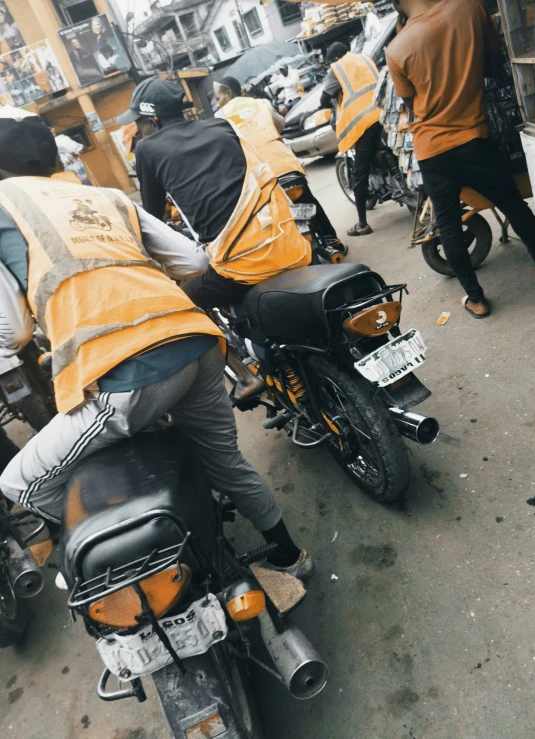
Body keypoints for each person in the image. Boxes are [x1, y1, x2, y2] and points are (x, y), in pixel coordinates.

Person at [0, 116, 314, 581]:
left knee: (18, 480)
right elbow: (193, 260)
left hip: (128, 376)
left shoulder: (6, 206)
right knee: (227, 463)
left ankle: (108, 568)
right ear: (52, 157)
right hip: (197, 342)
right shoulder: (104, 196)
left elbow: (13, 333)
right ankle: (290, 556)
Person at [117, 77, 311, 400]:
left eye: (138, 122)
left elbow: (152, 219)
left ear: (153, 120)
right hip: (285, 241)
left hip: (241, 265)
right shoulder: (221, 126)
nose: (137, 130)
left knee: (184, 303)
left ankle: (245, 376)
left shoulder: (147, 149)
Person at [386, 0, 535, 319]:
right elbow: (493, 62)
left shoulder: (396, 48)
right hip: (473, 138)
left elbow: (412, 102)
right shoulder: (468, 7)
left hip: (430, 150)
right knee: (513, 204)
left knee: (448, 226)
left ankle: (476, 299)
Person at [214, 76, 346, 256]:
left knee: (274, 218)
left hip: (259, 178)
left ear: (228, 94)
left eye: (218, 98)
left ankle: (297, 251)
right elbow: (279, 125)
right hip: (285, 165)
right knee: (307, 203)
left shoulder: (220, 117)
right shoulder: (260, 103)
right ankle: (333, 241)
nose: (217, 103)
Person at [321, 42, 382, 236]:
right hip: (384, 113)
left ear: (335, 59)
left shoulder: (337, 68)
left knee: (359, 173)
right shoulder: (364, 58)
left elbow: (323, 99)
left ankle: (362, 223)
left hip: (364, 121)